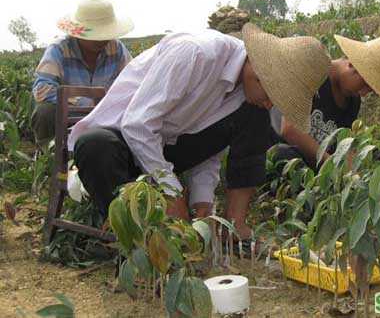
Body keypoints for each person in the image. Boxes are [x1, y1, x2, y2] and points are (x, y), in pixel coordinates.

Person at [67, 23, 332, 240]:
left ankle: (231, 226)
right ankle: (133, 238)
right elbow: (137, 124)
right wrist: (171, 191)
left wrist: (202, 204)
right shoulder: (195, 54)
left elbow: (208, 146)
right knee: (95, 146)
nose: (270, 103)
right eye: (273, 94)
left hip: (164, 147)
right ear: (260, 71)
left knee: (255, 115)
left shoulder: (243, 92)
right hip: (123, 140)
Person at [270, 34, 380, 168]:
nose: (364, 93)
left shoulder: (352, 101)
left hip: (315, 165)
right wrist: (332, 165)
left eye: (370, 90)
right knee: (283, 155)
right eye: (365, 84)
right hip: (277, 153)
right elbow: (290, 130)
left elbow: (342, 143)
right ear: (353, 65)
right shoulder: (313, 70)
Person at [31, 0, 133, 145]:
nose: (101, 39)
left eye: (104, 33)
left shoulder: (116, 49)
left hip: (106, 114)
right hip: (69, 112)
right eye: (96, 34)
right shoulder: (59, 49)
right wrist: (83, 102)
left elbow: (133, 82)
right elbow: (42, 89)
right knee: (44, 112)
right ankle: (50, 157)